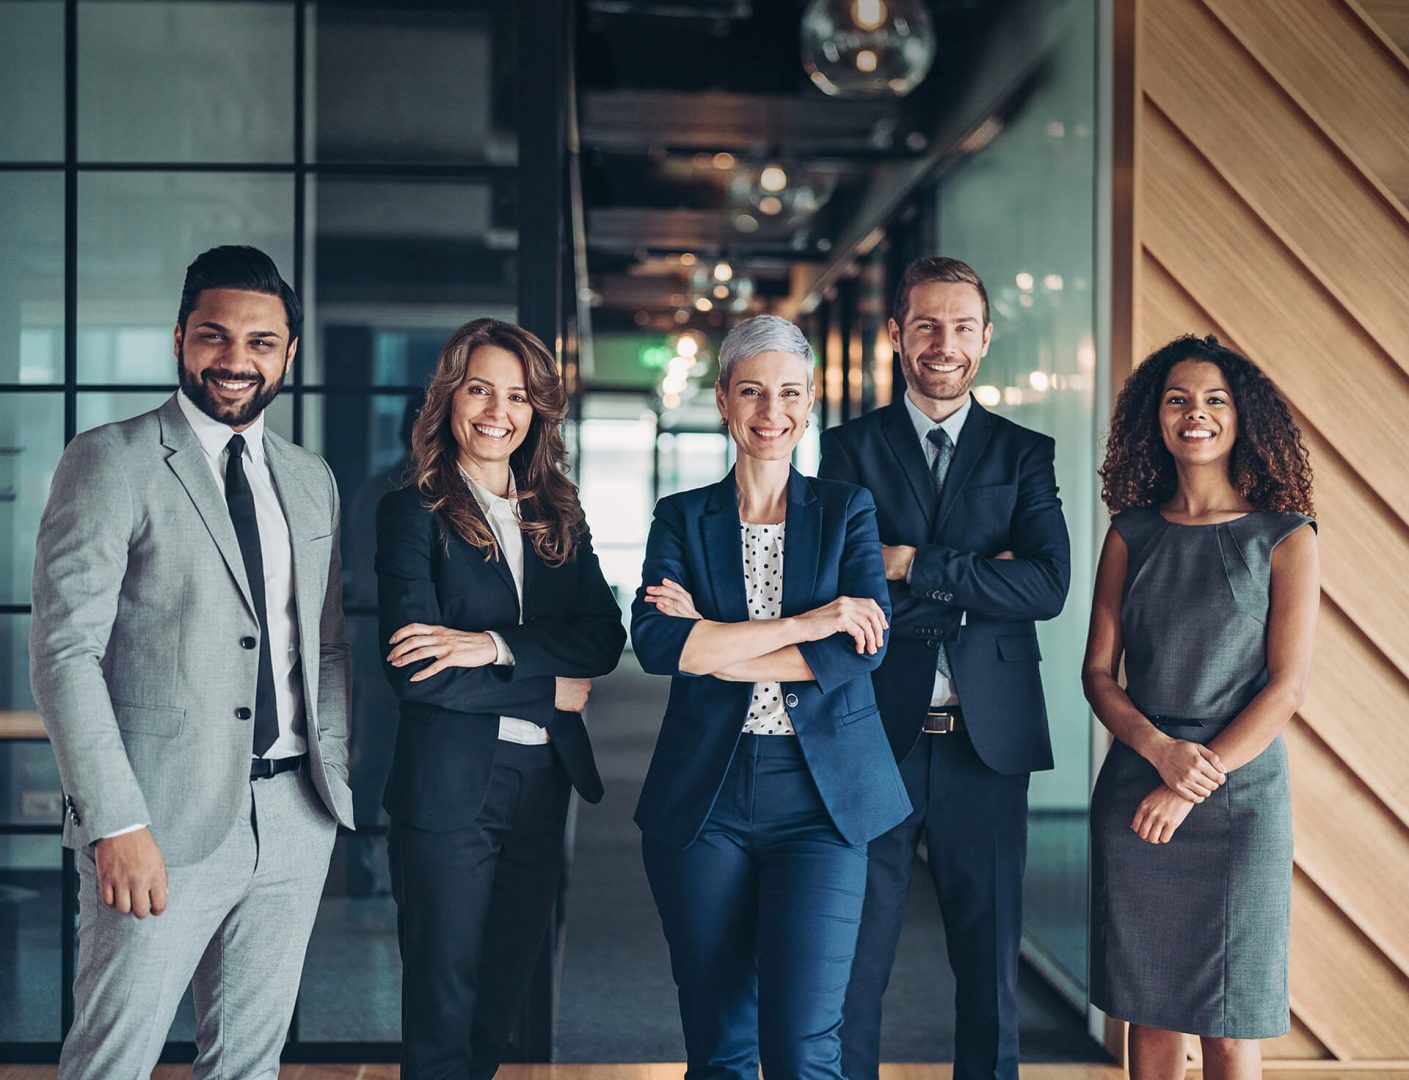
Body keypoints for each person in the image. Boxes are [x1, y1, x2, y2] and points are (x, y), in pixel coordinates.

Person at [30, 245, 355, 1078]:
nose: (236, 360)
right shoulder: (111, 459)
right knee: (112, 1060)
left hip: (294, 818)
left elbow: (321, 646)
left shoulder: (309, 479)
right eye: (215, 336)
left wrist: (332, 783)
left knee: (248, 1066)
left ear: (287, 352)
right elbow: (66, 653)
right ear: (180, 338)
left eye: (260, 341)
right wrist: (115, 821)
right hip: (156, 822)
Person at [632, 314, 911, 1079]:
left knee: (803, 1043)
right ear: (723, 400)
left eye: (788, 392)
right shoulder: (680, 518)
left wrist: (716, 644)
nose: (770, 412)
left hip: (822, 803)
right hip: (705, 800)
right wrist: (808, 622)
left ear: (810, 400)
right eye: (751, 392)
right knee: (719, 1044)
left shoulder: (846, 509)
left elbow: (861, 651)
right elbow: (660, 648)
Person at [820, 256, 1071, 1080]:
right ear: (895, 335)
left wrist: (913, 564)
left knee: (989, 968)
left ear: (986, 337)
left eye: (962, 326)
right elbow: (842, 590)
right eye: (926, 324)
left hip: (984, 743)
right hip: (872, 738)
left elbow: (1047, 583)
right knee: (854, 966)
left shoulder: (1024, 452)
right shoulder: (847, 451)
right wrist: (975, 575)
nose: (944, 343)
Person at [375, 317, 625, 1078]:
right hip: (449, 790)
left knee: (504, 994)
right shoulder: (410, 512)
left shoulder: (557, 513)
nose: (496, 411)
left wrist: (489, 645)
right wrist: (549, 685)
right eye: (479, 388)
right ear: (449, 396)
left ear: (536, 412)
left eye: (516, 396)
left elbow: (602, 639)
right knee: (442, 999)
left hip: (541, 784)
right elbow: (417, 670)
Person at [1084, 334, 1318, 1080]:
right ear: (1153, 419)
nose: (1196, 414)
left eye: (1215, 399)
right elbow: (1096, 674)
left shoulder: (1284, 536)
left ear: (1242, 416)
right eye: (1177, 399)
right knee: (1147, 1013)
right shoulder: (1130, 533)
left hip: (1238, 799)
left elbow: (1284, 689)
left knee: (1228, 1020)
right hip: (1136, 787)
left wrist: (1191, 779)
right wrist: (1159, 754)